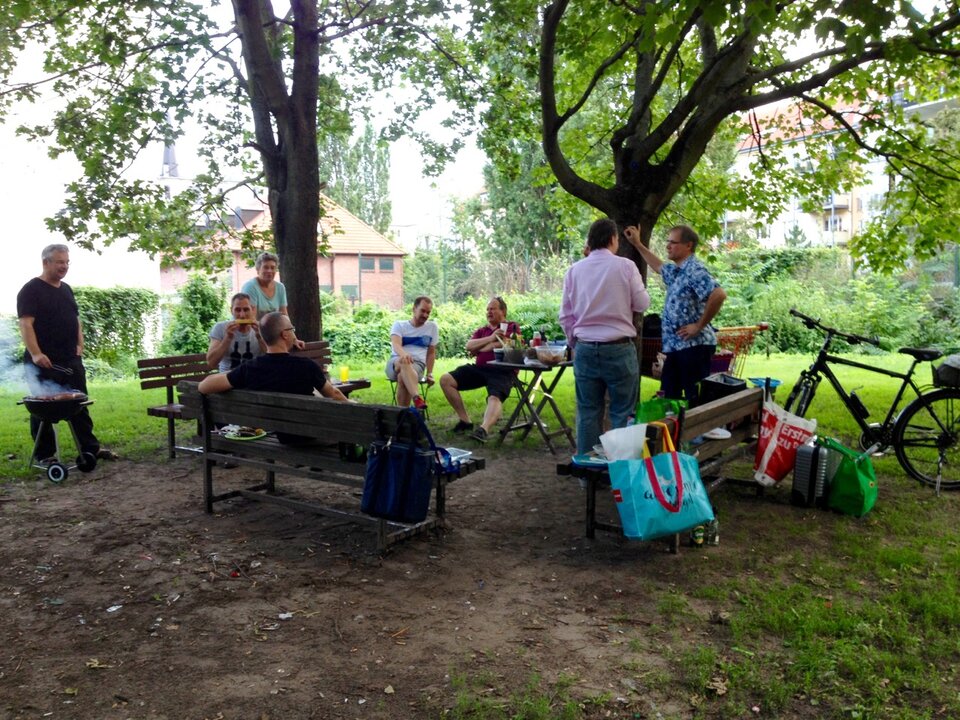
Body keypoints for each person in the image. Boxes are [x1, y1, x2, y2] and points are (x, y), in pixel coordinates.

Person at [17, 244, 117, 462]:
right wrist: (35, 353)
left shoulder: (66, 289)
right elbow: (26, 324)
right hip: (43, 362)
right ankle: (45, 455)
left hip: (71, 360)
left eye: (67, 262)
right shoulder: (31, 289)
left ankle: (90, 449)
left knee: (79, 404)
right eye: (60, 262)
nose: (64, 266)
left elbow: (75, 319)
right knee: (43, 409)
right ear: (46, 262)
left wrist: (80, 344)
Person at [560, 218, 651, 456]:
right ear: (613, 239)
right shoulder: (626, 266)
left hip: (586, 348)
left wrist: (575, 343)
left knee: (588, 411)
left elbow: (565, 316)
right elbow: (642, 303)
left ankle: (588, 474)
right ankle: (620, 473)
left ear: (590, 241)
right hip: (619, 348)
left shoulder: (574, 271)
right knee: (621, 411)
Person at [198, 312, 348, 442]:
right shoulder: (307, 366)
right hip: (310, 435)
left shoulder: (251, 368)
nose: (294, 333)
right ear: (285, 334)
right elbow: (334, 394)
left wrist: (231, 373)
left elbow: (203, 386)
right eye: (292, 329)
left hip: (281, 435)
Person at [626, 224, 727, 405]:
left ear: (688, 245)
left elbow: (719, 294)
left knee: (694, 402)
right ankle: (674, 432)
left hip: (694, 348)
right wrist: (638, 244)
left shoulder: (693, 270)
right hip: (676, 349)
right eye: (668, 242)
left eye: (673, 242)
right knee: (669, 398)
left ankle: (695, 433)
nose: (668, 246)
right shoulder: (677, 271)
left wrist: (698, 326)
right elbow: (658, 266)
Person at [439, 297, 519, 443]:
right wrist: (490, 338)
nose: (489, 312)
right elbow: (469, 346)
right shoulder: (483, 330)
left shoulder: (511, 327)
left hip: (503, 371)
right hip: (480, 369)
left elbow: (510, 346)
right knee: (446, 380)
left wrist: (481, 348)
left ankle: (483, 429)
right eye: (487, 309)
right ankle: (465, 421)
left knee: (494, 397)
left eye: (493, 308)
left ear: (503, 311)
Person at [386, 296, 437, 411]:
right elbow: (396, 344)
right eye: (422, 311)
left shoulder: (432, 327)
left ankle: (403, 416)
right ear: (414, 309)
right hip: (395, 361)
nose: (425, 315)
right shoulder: (399, 325)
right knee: (404, 361)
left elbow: (431, 353)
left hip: (417, 365)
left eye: (428, 312)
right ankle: (416, 397)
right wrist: (404, 354)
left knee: (402, 377)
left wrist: (429, 373)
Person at [206, 293, 268, 372]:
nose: (242, 315)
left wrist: (260, 337)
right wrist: (227, 338)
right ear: (231, 310)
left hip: (252, 378)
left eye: (246, 310)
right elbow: (211, 363)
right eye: (237, 310)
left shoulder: (262, 328)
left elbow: (273, 360)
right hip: (226, 378)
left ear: (252, 309)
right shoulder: (220, 328)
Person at [241, 251, 288, 318]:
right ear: (258, 270)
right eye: (266, 267)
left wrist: (289, 327)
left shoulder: (280, 287)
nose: (269, 271)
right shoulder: (250, 287)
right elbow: (251, 318)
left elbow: (284, 315)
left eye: (272, 268)